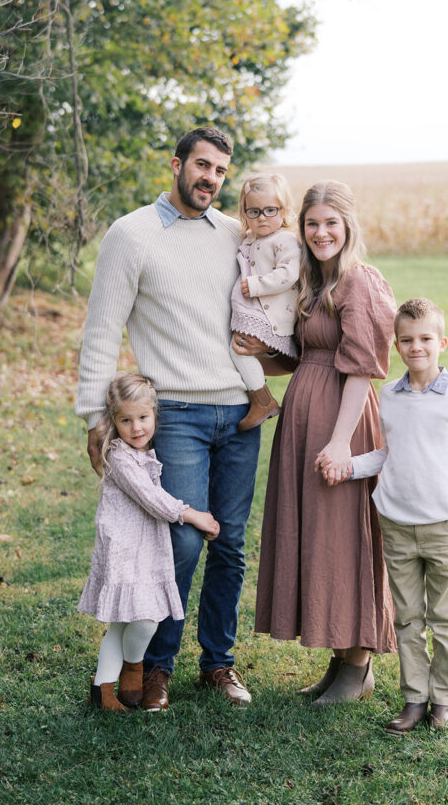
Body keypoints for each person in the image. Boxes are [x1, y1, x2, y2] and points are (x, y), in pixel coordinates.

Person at [75, 126, 261, 711]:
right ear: (176, 164)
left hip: (238, 412)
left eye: (220, 172)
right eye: (201, 166)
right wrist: (92, 418)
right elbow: (102, 331)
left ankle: (219, 663)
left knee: (229, 545)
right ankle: (154, 667)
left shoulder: (235, 234)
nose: (210, 179)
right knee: (180, 543)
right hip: (173, 412)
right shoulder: (130, 235)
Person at [244, 180, 397, 705]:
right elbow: (299, 357)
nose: (321, 232)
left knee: (343, 535)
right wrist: (254, 356)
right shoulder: (313, 283)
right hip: (304, 422)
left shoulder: (360, 282)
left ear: (348, 225)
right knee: (318, 536)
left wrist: (339, 446)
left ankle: (359, 662)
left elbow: (362, 369)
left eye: (331, 222)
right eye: (312, 223)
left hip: (343, 423)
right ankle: (341, 660)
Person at [320, 297, 448, 733]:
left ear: (442, 342)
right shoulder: (389, 397)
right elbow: (387, 454)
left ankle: (444, 702)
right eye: (407, 340)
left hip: (443, 528)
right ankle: (414, 699)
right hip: (397, 525)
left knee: (445, 620)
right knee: (408, 619)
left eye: (426, 339)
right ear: (396, 345)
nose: (417, 347)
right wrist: (350, 466)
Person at [79, 373, 220, 712]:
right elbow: (152, 498)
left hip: (144, 547)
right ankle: (128, 671)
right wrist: (193, 514)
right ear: (114, 421)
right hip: (125, 548)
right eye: (126, 420)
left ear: (155, 414)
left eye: (143, 417)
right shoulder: (119, 455)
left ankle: (105, 687)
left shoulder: (142, 452)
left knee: (128, 620)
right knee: (141, 619)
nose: (136, 427)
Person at [230, 173, 299, 431]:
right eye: (254, 211)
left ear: (284, 211)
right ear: (244, 213)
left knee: (237, 348)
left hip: (273, 315)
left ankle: (262, 399)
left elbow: (289, 273)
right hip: (257, 309)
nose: (262, 217)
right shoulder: (251, 239)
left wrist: (257, 285)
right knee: (236, 347)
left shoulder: (285, 240)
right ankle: (260, 397)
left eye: (270, 210)